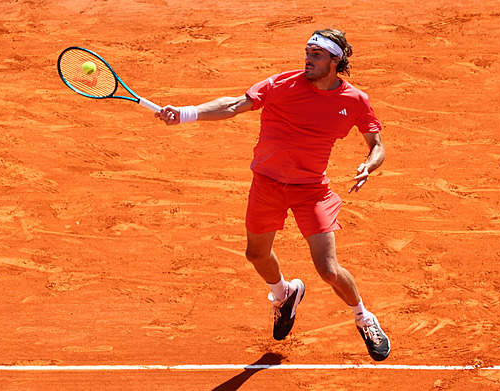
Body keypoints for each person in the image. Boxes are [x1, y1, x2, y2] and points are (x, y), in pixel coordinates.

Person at [155, 29, 390, 361]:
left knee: (327, 269)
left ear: (336, 61)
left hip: (311, 191)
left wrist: (370, 165)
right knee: (257, 255)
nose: (308, 59)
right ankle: (285, 294)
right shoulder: (282, 84)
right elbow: (235, 105)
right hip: (267, 183)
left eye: (317, 55)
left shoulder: (354, 101)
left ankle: (364, 318)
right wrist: (185, 113)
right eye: (307, 52)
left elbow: (376, 145)